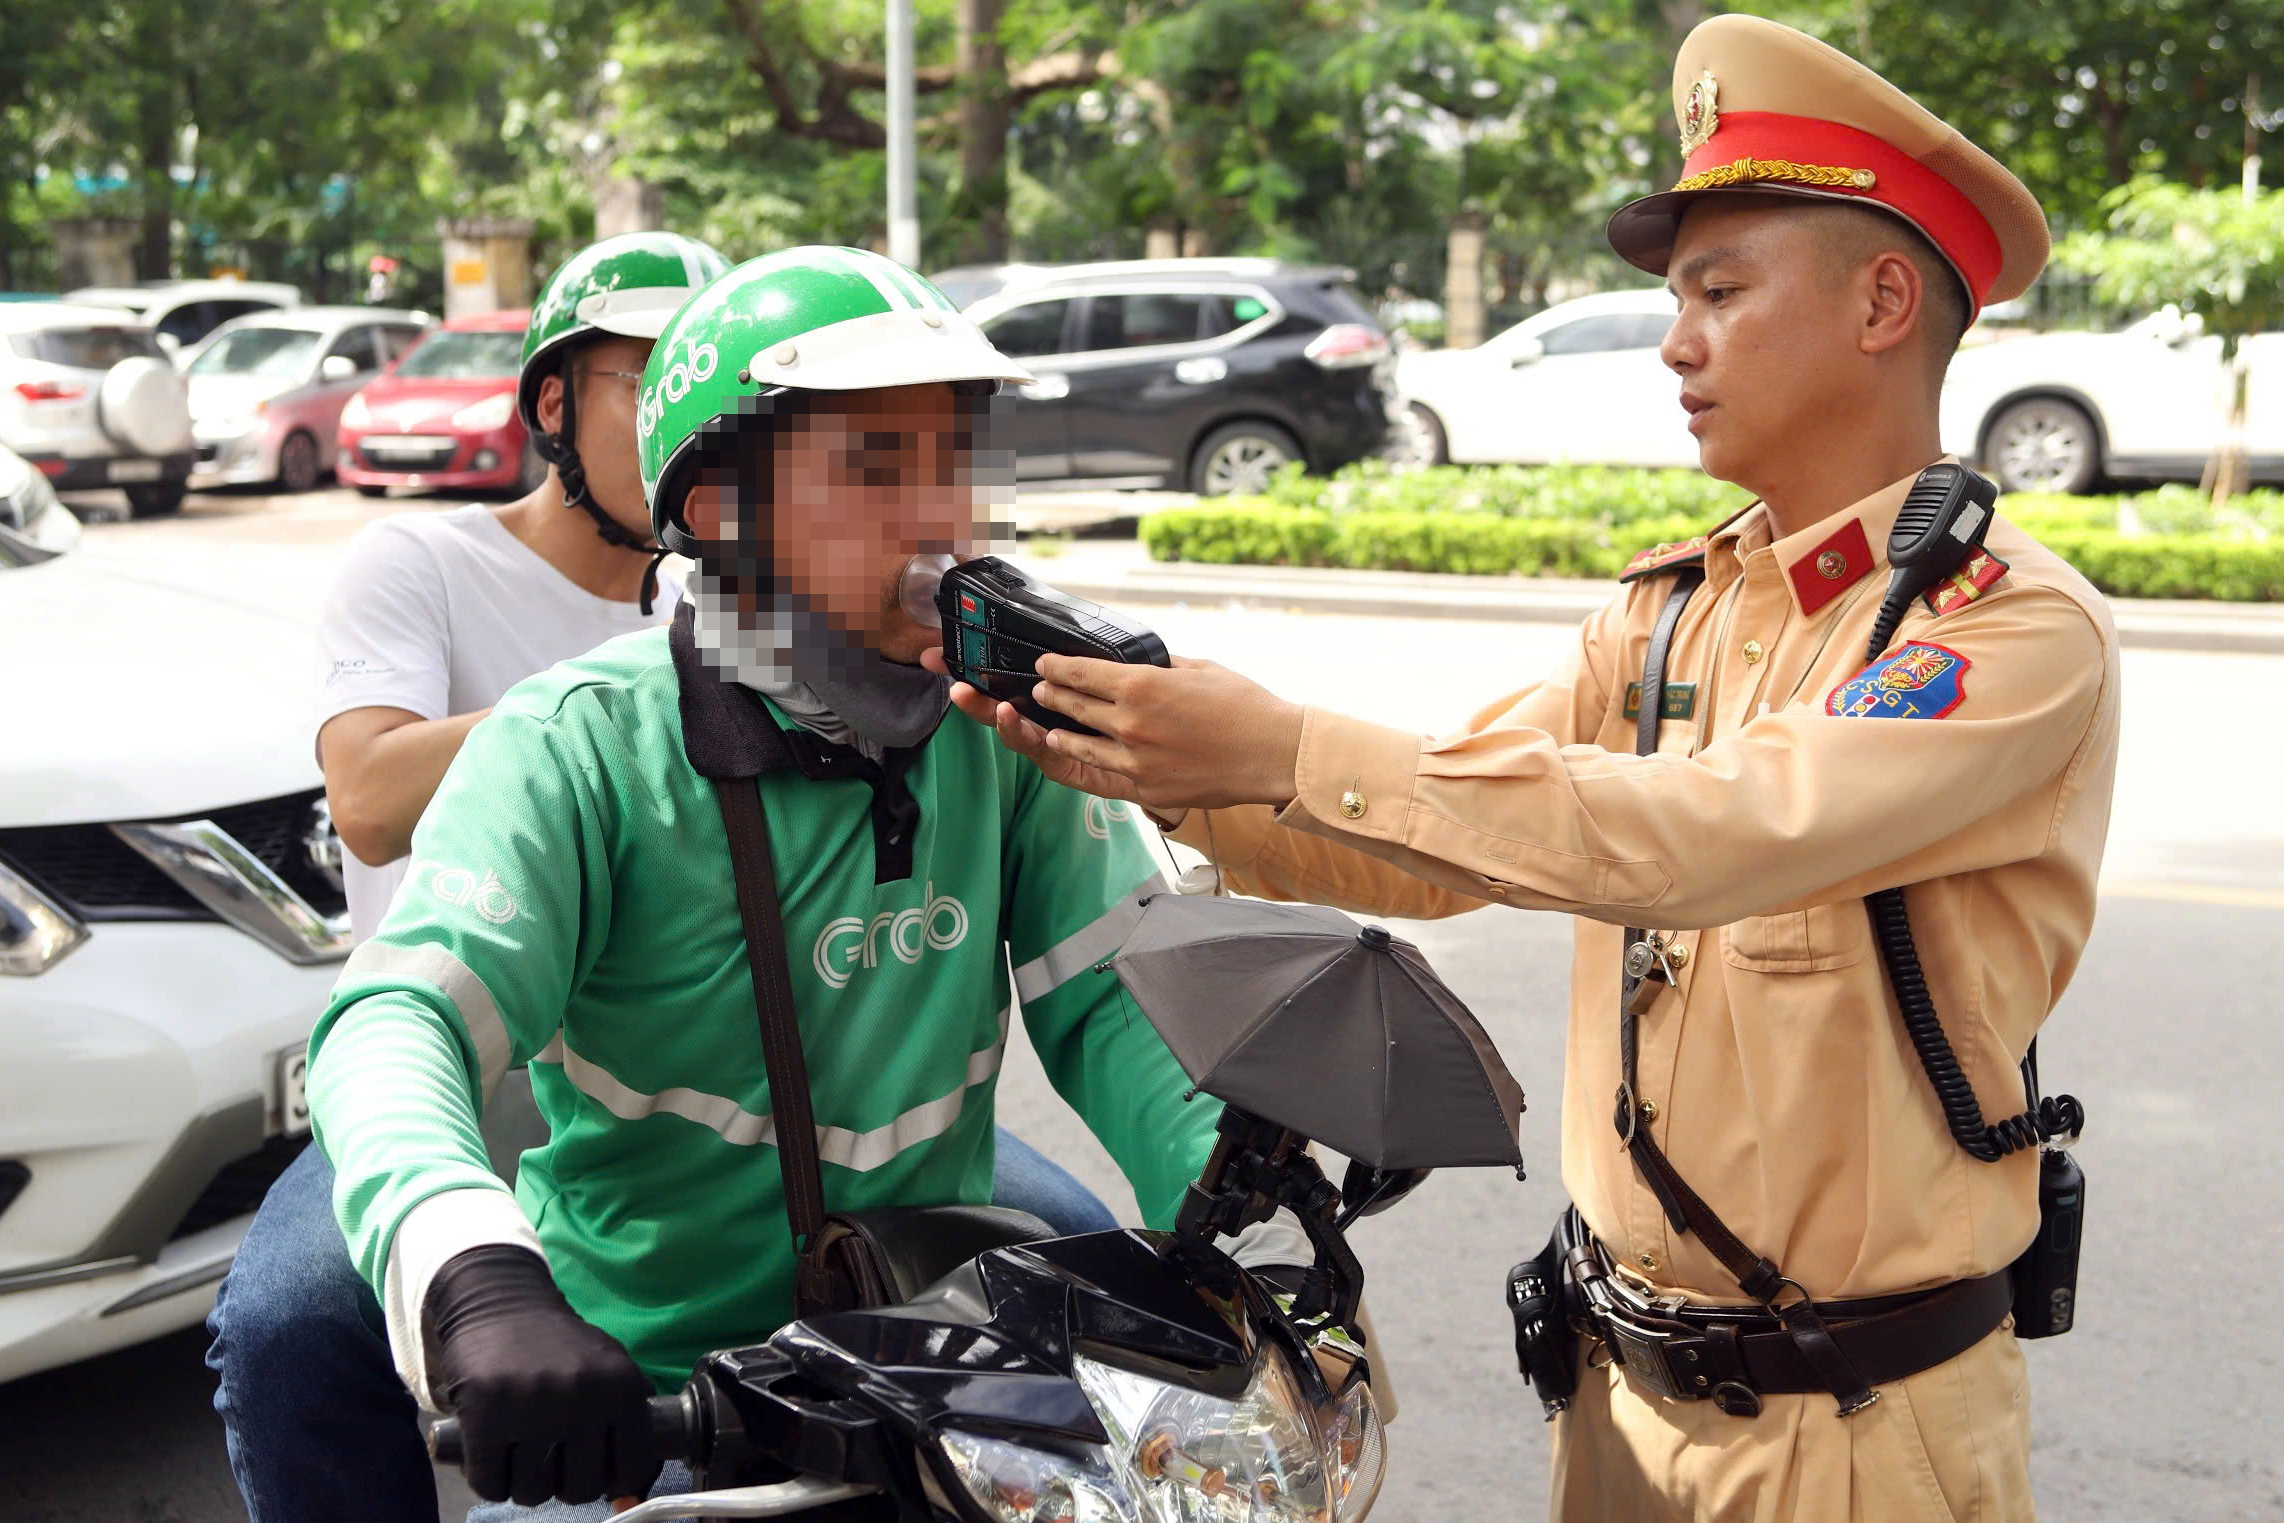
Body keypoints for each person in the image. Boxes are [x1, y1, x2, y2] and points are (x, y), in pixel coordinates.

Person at [939, 16, 2119, 1522]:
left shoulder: (2008, 631)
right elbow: (1442, 833)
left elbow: (1715, 830)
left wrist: (1289, 742)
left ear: (1884, 299)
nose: (1677, 341)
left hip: (1860, 1437)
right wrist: (1169, 763)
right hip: (1619, 1398)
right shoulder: (1673, 608)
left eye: (1720, 291)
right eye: (1677, 297)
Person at [293, 246, 1311, 1520]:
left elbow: (1112, 996)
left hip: (933, 1377)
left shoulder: (990, 732)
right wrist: (478, 1278)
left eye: (953, 458)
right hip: (638, 1407)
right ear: (718, 506)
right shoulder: (579, 746)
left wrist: (1239, 1202)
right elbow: (398, 1020)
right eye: (876, 467)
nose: (938, 513)